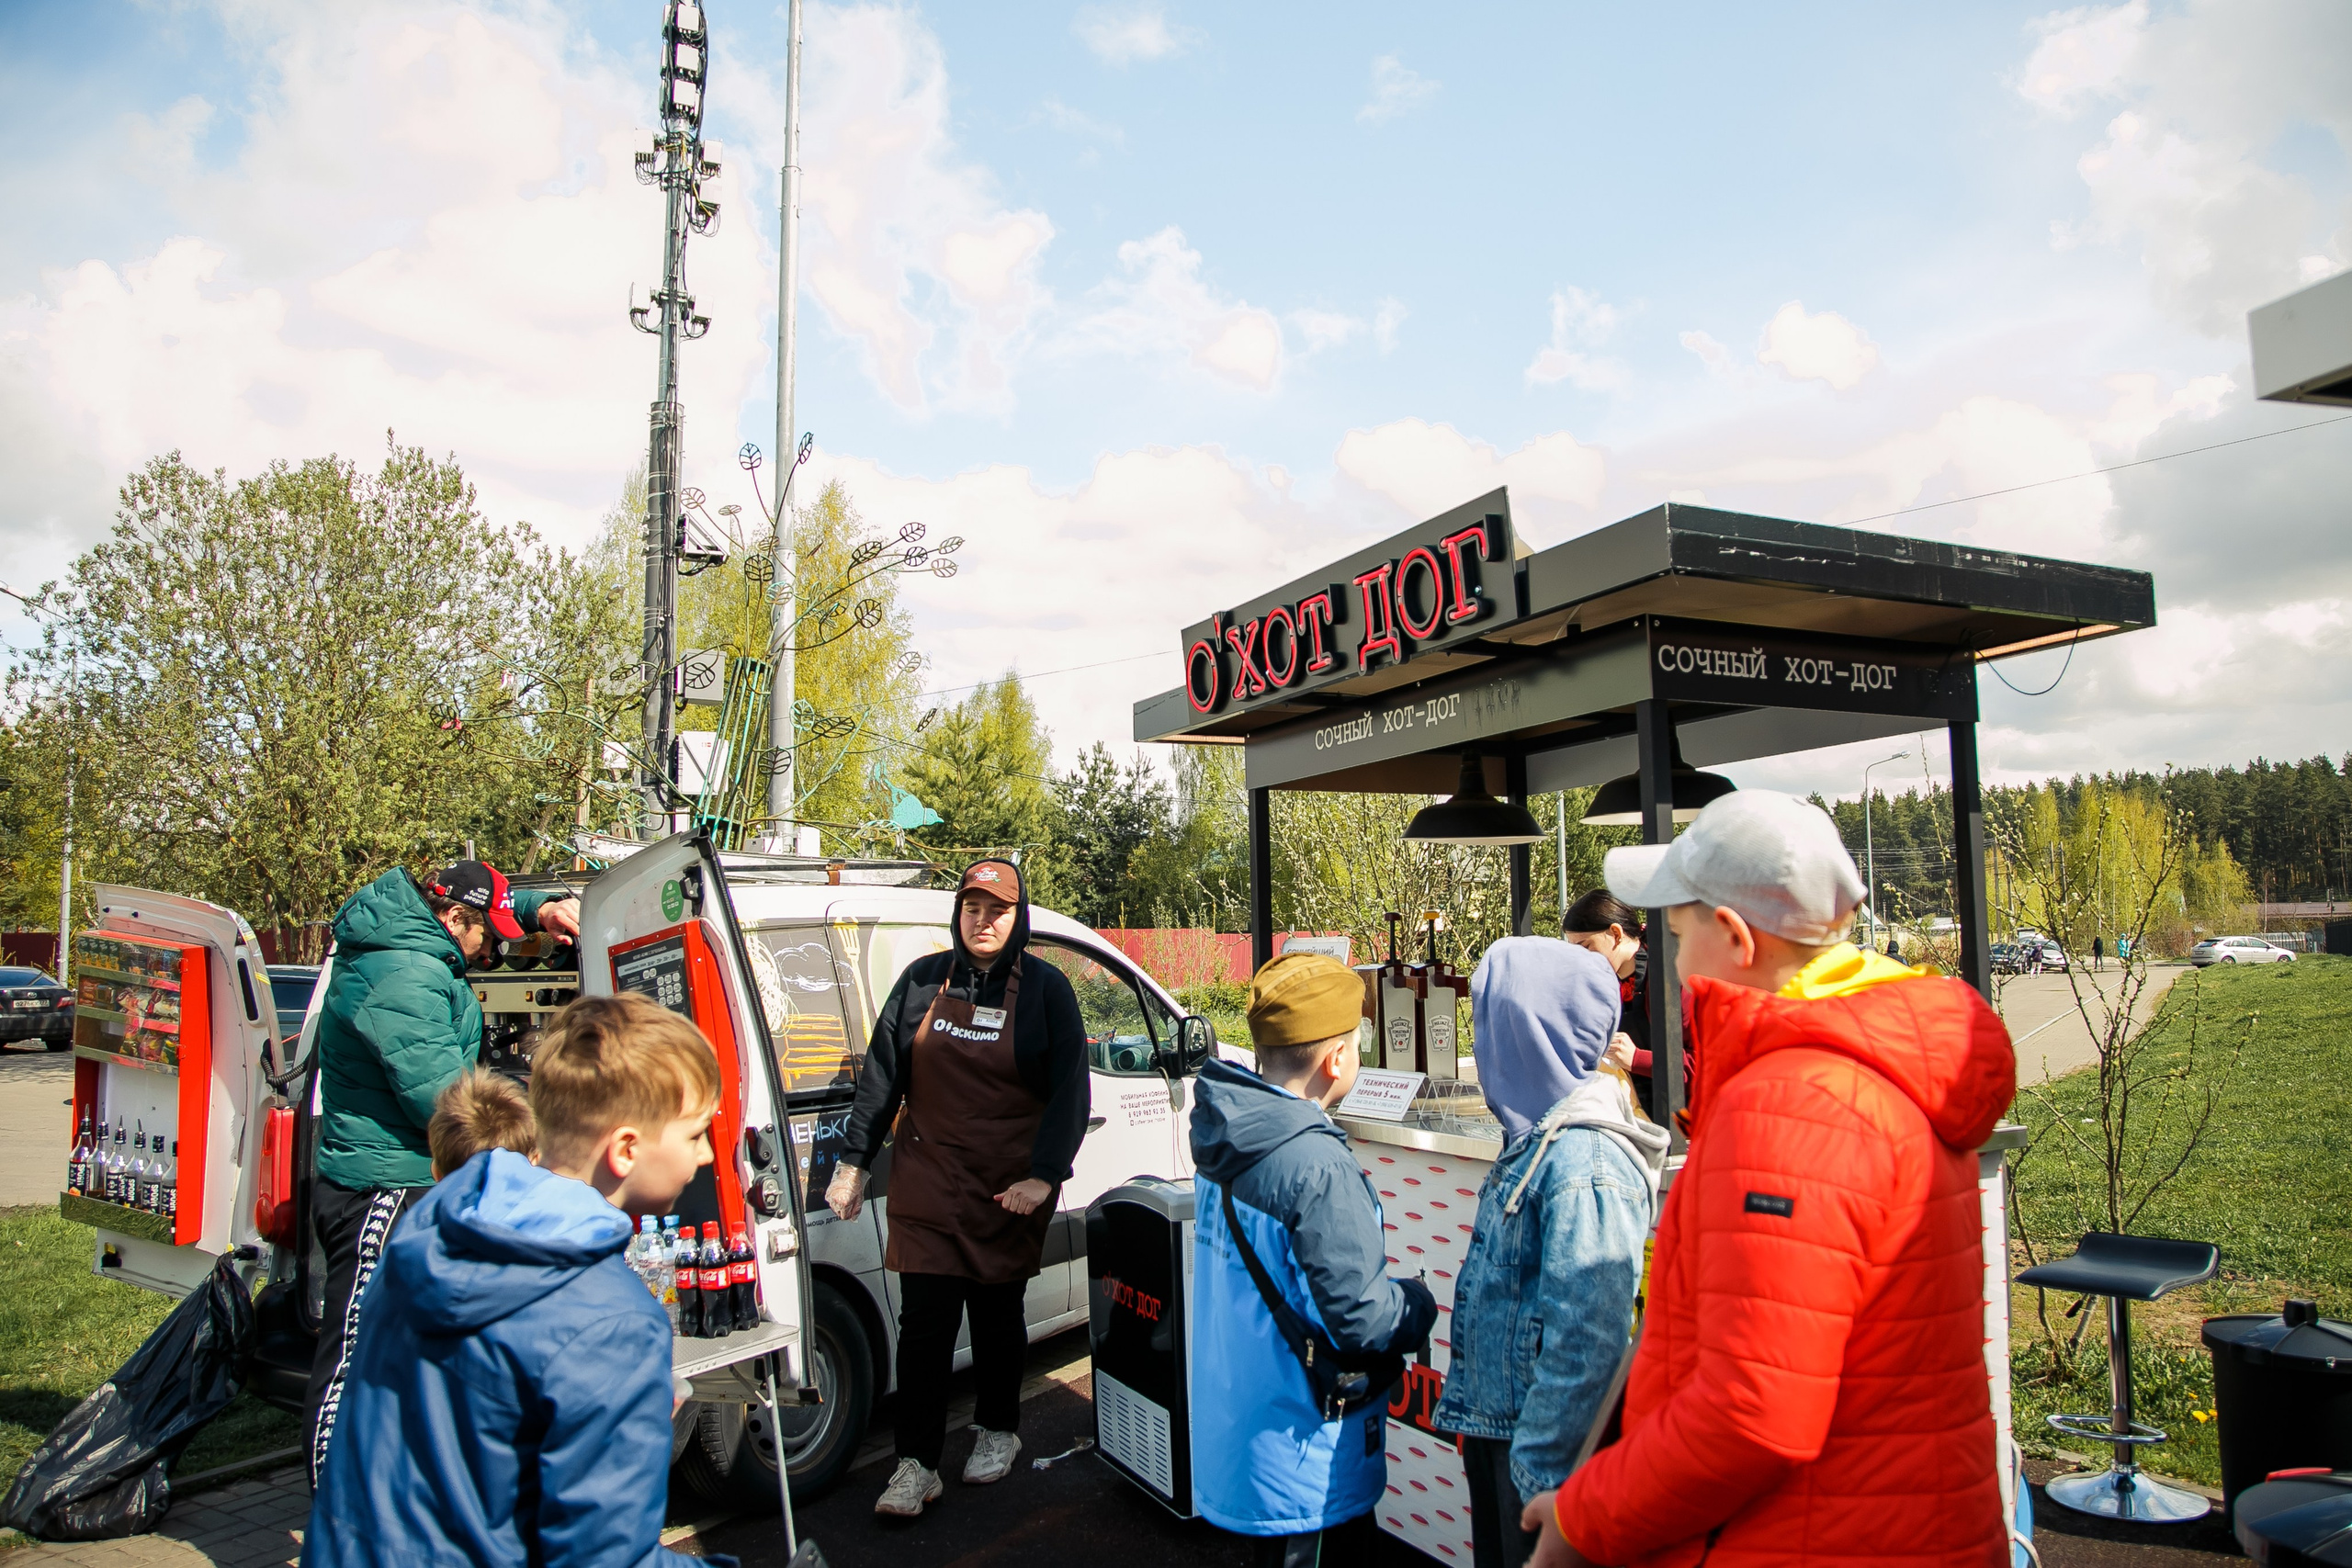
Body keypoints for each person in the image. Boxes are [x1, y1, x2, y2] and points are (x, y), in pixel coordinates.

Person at [1527, 790, 2016, 1568]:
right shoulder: (1884, 1068)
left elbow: (1752, 1414)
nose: (1678, 963)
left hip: (1803, 1539)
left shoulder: (1791, 1105)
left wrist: (1584, 1516)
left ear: (1733, 936)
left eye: (1681, 934)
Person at [301, 992, 724, 1568]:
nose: (704, 1155)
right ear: (626, 1148)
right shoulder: (613, 1320)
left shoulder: (425, 1231)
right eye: (696, 1133)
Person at [827, 859, 1090, 1517]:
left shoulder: (1048, 991)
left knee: (998, 1319)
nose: (983, 919)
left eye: (997, 909)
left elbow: (1070, 1094)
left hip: (1008, 1190)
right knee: (924, 1329)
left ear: (1016, 915)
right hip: (929, 1183)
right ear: (958, 912)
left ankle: (997, 1429)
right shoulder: (921, 981)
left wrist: (1044, 1175)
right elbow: (882, 1076)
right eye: (973, 907)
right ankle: (914, 1464)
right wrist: (853, 1162)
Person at [305, 859, 578, 1482]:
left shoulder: (413, 939)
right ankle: (334, 1509)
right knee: (355, 1356)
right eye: (490, 936)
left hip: (410, 1180)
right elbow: (449, 1105)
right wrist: (536, 1144)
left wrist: (538, 907)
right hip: (380, 1186)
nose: (495, 952)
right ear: (455, 919)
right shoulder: (405, 975)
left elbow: (486, 893)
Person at [1189, 953, 1440, 1567]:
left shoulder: (1229, 1134)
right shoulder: (1317, 1166)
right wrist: (1417, 1303)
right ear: (1337, 1058)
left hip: (1239, 1443)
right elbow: (1362, 1320)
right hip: (1304, 1463)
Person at [1431, 939, 1668, 1568]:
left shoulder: (1584, 1161)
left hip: (1537, 1460)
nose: (1479, 1047)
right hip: (1505, 1434)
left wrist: (1539, 1475)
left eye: (1487, 1024)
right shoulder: (1540, 1138)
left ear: (1524, 1035)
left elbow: (1586, 1341)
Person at [1563, 890, 1672, 1121]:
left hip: (1685, 1115)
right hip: (1640, 1114)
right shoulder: (1605, 982)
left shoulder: (1668, 976)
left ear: (1616, 933)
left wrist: (1637, 1058)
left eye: (1587, 946)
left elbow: (1703, 1063)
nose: (1582, 959)